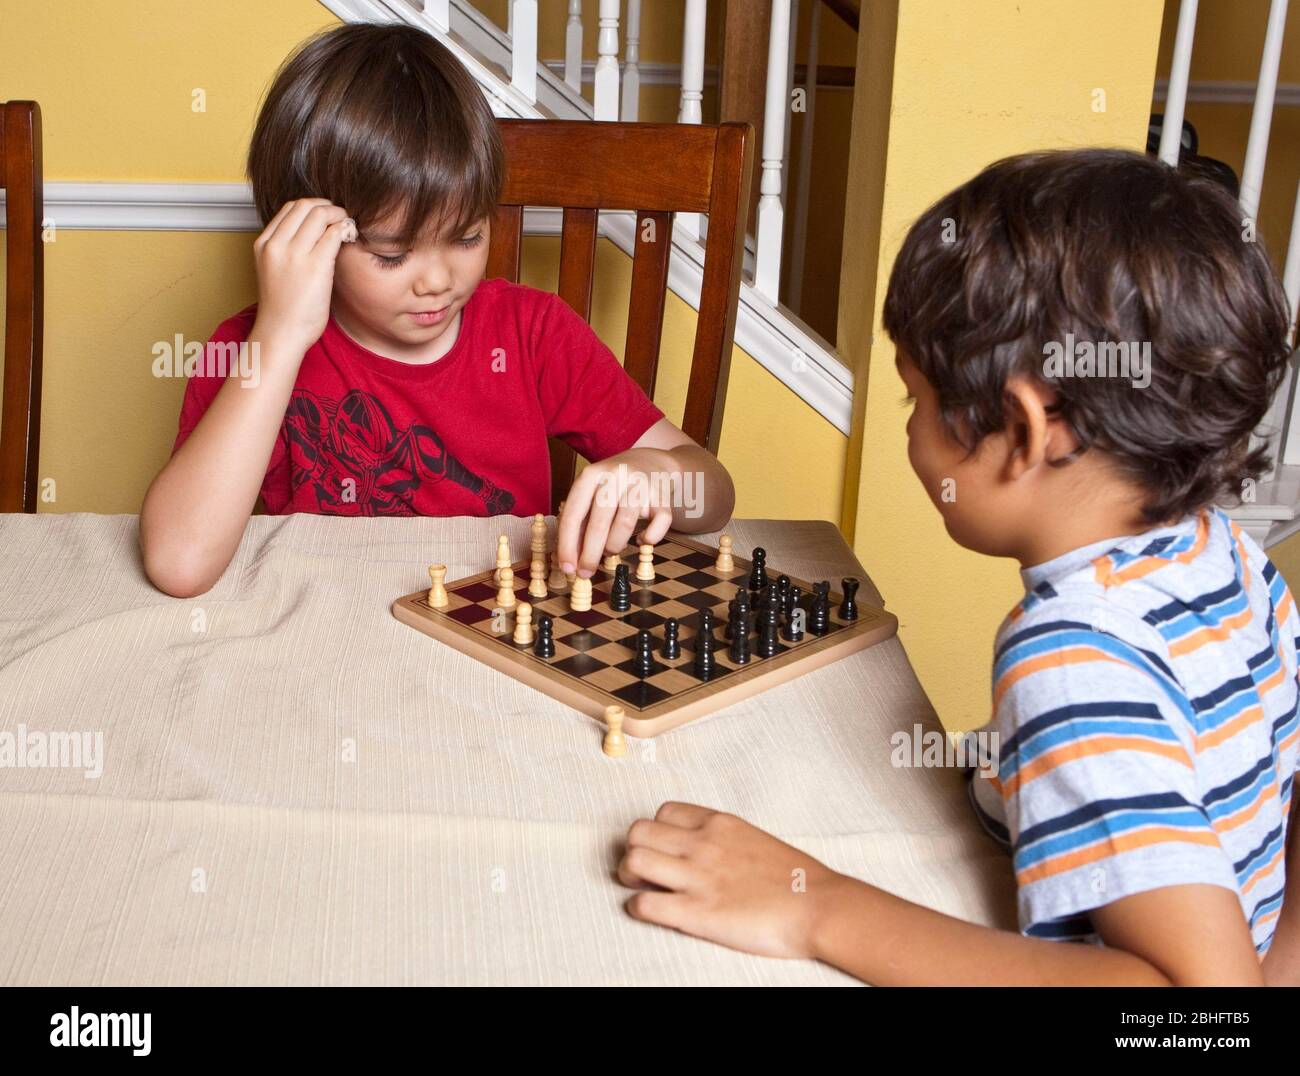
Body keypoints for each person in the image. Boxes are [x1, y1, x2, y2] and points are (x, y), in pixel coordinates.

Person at [619, 148, 1300, 986]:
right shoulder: (1228, 552)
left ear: (1020, 430)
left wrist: (816, 907)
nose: (910, 433)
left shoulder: (1070, 657)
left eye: (918, 400)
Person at [140, 23, 734, 598]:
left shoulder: (532, 333)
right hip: (326, 638)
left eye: (468, 238)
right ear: (309, 238)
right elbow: (180, 563)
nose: (439, 282)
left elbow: (714, 491)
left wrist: (653, 471)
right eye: (392, 255)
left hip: (493, 637)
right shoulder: (253, 348)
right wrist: (281, 333)